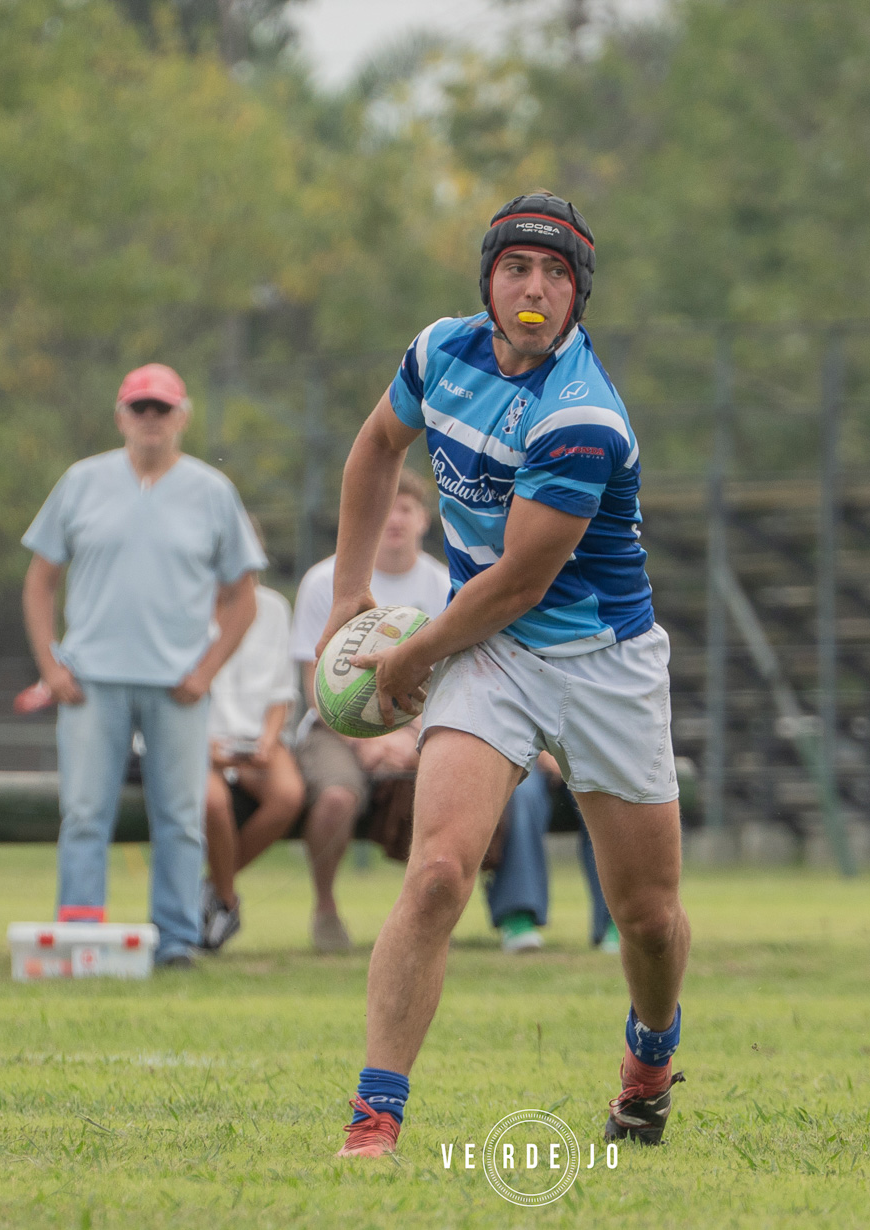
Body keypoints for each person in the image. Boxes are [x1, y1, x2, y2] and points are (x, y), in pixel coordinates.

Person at [322, 192, 689, 1157]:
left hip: (603, 662)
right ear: (487, 280)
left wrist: (409, 655)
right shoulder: (439, 352)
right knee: (438, 873)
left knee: (648, 920)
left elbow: (522, 581)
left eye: (556, 274)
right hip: (493, 651)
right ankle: (374, 1119)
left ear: (578, 296)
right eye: (516, 268)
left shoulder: (583, 417)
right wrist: (348, 595)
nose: (534, 288)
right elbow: (376, 447)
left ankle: (650, 1058)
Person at [21, 363, 264, 969]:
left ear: (183, 417)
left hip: (178, 685)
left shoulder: (212, 491)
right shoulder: (81, 482)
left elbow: (244, 596)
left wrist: (206, 671)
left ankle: (176, 940)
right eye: (140, 408)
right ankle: (80, 933)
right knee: (84, 813)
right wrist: (51, 665)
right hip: (90, 682)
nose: (150, 419)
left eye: (162, 409)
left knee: (181, 818)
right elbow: (40, 581)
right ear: (120, 416)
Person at [288, 470, 448, 952]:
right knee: (337, 797)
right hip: (333, 726)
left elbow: (450, 680)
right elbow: (314, 685)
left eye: (406, 508)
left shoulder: (445, 584)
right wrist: (368, 741)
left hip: (422, 726)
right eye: (385, 508)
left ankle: (433, 918)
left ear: (424, 519)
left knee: (459, 791)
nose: (394, 519)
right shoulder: (325, 580)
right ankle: (325, 908)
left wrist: (411, 736)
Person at [199, 562, 304, 951]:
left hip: (254, 740)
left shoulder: (273, 608)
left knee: (288, 796)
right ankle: (226, 902)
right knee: (213, 803)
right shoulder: (183, 603)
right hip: (197, 738)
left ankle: (210, 889)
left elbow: (282, 690)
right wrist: (203, 745)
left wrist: (267, 741)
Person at [487, 753, 617, 953]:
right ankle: (518, 915)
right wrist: (544, 752)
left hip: (585, 754)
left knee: (606, 791)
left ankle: (618, 919)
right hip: (524, 755)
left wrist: (567, 753)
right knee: (521, 793)